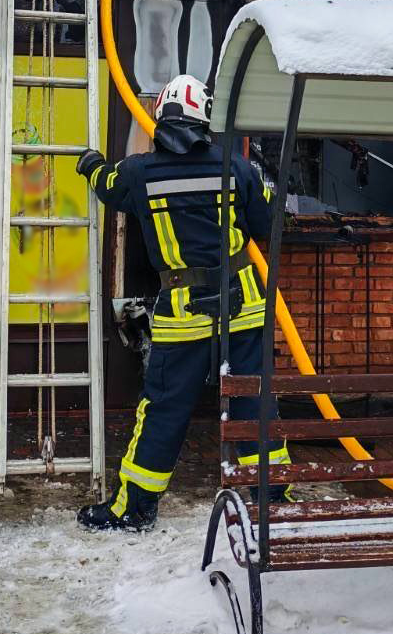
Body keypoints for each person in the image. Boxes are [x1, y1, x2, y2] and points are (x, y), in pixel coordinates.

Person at [73, 74, 289, 531]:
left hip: (182, 313)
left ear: (160, 116)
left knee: (164, 410)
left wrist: (90, 163)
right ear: (203, 118)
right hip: (244, 307)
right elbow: (268, 220)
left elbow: (107, 184)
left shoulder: (138, 172)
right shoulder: (236, 168)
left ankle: (134, 508)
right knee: (254, 402)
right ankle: (272, 498)